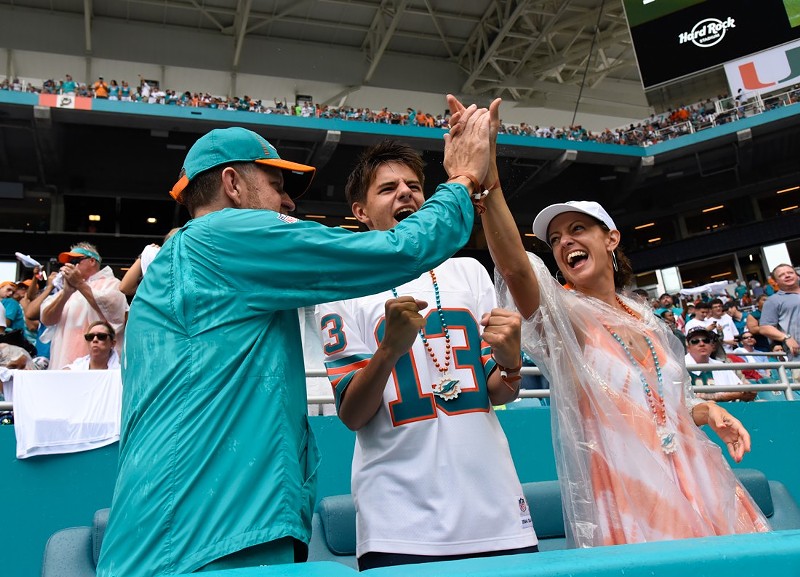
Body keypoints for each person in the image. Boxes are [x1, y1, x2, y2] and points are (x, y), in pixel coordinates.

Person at [97, 111, 494, 577]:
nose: (288, 201)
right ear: (233, 184)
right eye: (277, 183)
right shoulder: (228, 236)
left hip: (185, 529)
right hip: (206, 539)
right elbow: (397, 251)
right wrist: (463, 178)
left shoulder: (178, 263)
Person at [454, 95, 769, 547]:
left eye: (577, 230)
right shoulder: (566, 317)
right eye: (556, 239)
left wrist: (705, 411)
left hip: (699, 479)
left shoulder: (644, 316)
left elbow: (666, 405)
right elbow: (516, 269)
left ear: (611, 239)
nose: (564, 243)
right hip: (631, 491)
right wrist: (489, 183)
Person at [316, 141, 537, 571]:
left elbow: (496, 392)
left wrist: (510, 361)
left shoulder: (469, 272)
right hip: (400, 520)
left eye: (414, 185)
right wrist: (388, 351)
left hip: (495, 507)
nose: (406, 193)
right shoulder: (343, 288)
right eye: (388, 188)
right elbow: (352, 414)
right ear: (360, 212)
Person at [39, 243, 127, 370]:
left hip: (98, 365)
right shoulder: (64, 288)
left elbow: (115, 313)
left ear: (92, 261)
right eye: (68, 262)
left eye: (75, 261)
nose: (69, 265)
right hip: (64, 362)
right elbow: (46, 319)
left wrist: (79, 284)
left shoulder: (111, 283)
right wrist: (66, 293)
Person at [685, 327, 757, 403]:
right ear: (688, 348)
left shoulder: (721, 366)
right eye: (695, 341)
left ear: (712, 346)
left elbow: (747, 393)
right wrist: (731, 395)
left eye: (706, 340)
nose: (702, 344)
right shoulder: (679, 366)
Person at [758, 264, 800, 362]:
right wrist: (786, 338)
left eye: (790, 273)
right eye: (781, 275)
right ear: (775, 282)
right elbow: (765, 328)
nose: (787, 275)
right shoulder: (773, 300)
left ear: (797, 275)